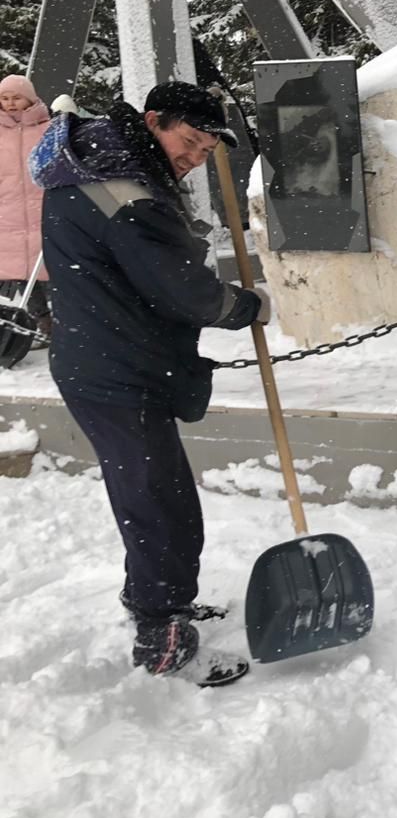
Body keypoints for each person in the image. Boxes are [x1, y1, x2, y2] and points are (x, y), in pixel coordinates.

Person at [30, 81, 269, 687]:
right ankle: (162, 637)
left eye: (204, 150)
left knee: (152, 496)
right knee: (160, 505)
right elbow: (183, 289)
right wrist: (245, 305)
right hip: (116, 371)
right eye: (188, 142)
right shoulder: (123, 189)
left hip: (109, 360)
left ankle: (156, 602)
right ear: (153, 120)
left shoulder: (104, 164)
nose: (193, 157)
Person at [0, 74, 52, 346]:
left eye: (16, 97)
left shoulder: (48, 128)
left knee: (52, 270)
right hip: (7, 215)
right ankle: (41, 322)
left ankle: (67, 324)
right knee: (20, 273)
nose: (10, 104)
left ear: (30, 98)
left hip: (42, 209)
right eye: (4, 98)